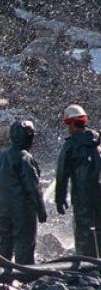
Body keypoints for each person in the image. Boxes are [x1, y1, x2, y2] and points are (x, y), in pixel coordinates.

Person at [0, 120, 47, 265]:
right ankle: (25, 278)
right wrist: (40, 209)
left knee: (4, 244)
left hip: (3, 209)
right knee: (24, 244)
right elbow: (33, 187)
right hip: (21, 210)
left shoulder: (0, 157)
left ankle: (2, 277)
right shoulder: (25, 157)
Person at [55, 104, 101, 257]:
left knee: (84, 231)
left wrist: (59, 199)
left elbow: (62, 175)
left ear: (71, 123)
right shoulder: (98, 142)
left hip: (82, 196)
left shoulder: (71, 145)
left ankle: (87, 266)